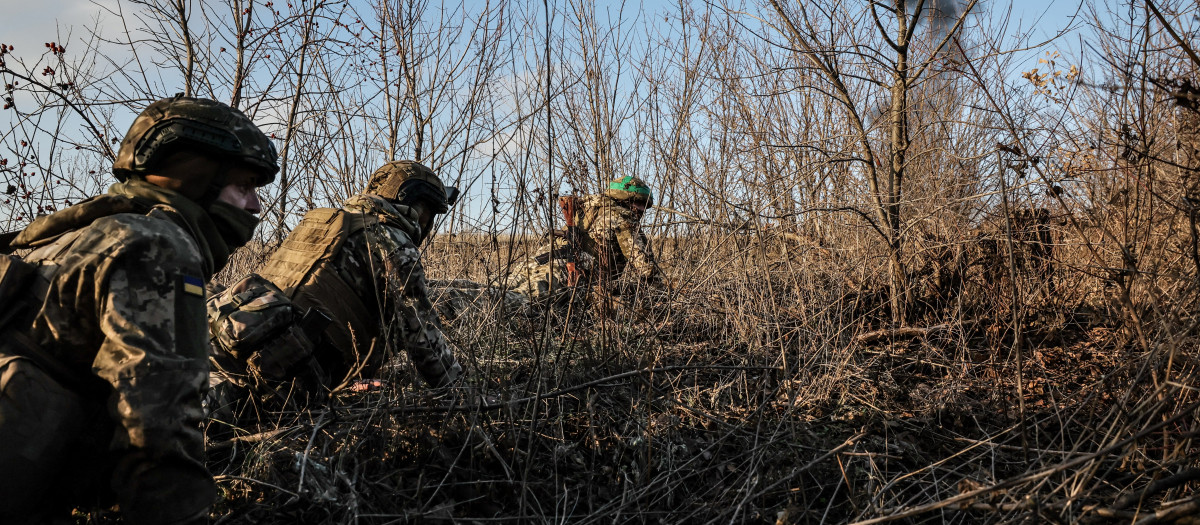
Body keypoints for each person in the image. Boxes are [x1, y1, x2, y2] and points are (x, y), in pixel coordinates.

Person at [0, 95, 277, 524]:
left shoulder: (63, 237)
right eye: (243, 187)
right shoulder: (158, 247)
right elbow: (158, 433)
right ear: (196, 179)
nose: (255, 206)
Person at [212, 159, 462, 395]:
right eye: (430, 213)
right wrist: (462, 394)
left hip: (228, 345)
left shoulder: (324, 223)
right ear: (417, 206)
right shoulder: (393, 243)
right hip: (283, 375)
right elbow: (421, 335)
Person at [507, 175, 664, 305]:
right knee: (513, 303)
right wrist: (663, 294)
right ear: (626, 199)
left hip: (538, 261)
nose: (642, 209)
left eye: (644, 205)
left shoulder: (586, 209)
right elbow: (646, 268)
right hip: (563, 271)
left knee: (499, 289)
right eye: (639, 203)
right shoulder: (623, 217)